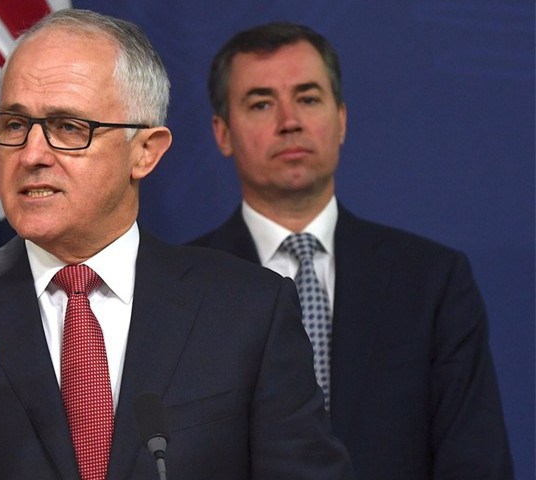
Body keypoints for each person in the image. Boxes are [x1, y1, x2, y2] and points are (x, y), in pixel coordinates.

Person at [0, 10, 355, 480]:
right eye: (15, 125)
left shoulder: (249, 311)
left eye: (68, 127)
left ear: (145, 152)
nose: (31, 154)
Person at [189, 22, 514, 480]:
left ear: (341, 119)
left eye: (308, 99)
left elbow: (477, 461)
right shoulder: (180, 288)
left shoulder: (432, 281)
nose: (290, 121)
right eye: (261, 104)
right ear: (223, 133)